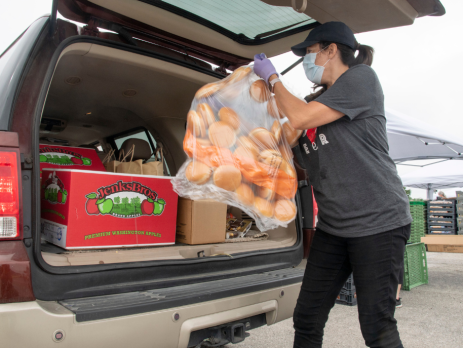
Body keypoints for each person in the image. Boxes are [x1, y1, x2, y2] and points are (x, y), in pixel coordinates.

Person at [254, 22, 412, 348]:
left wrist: (272, 80)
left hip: (378, 222)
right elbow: (289, 141)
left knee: (377, 327)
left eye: (309, 53)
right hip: (334, 227)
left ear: (331, 50)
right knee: (307, 318)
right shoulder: (316, 102)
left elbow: (298, 119)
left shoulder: (361, 80)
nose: (305, 62)